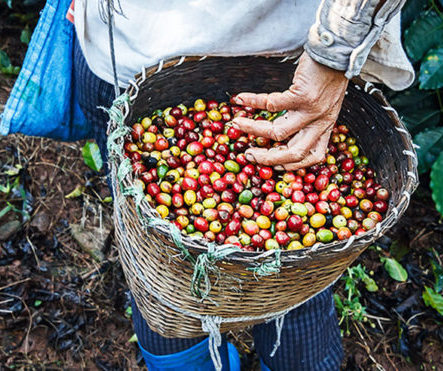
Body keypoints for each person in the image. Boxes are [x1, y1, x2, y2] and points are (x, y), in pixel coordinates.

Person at [66, 0, 414, 369]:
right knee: (166, 267)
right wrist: (337, 48)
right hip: (139, 58)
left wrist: (335, 51)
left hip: (285, 69)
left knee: (190, 270)